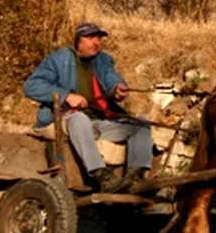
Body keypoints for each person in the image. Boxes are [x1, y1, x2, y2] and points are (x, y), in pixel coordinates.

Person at [23, 22, 153, 193]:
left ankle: (137, 176)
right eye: (90, 37)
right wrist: (66, 96)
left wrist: (117, 87)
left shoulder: (103, 60)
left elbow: (110, 76)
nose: (96, 42)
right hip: (63, 120)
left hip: (97, 123)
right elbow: (31, 86)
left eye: (99, 38)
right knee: (79, 118)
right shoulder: (58, 60)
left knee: (141, 123)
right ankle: (101, 175)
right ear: (78, 41)